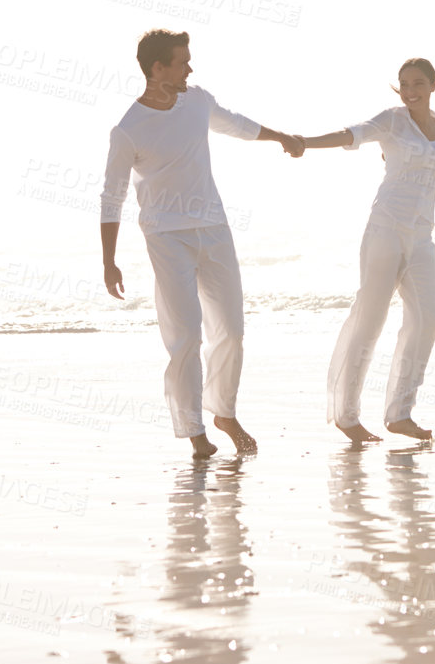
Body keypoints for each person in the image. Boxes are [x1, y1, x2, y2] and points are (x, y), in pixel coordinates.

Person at [100, 28, 303, 459]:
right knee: (186, 335)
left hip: (214, 228)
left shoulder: (197, 101)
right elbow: (111, 194)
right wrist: (109, 260)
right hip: (165, 235)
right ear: (158, 69)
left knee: (231, 330)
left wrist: (280, 136)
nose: (190, 68)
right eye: (181, 61)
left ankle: (223, 412)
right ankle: (194, 431)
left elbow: (236, 124)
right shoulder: (128, 129)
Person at [296, 58, 435, 444]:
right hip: (386, 230)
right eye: (404, 84)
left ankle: (399, 414)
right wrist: (305, 143)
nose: (410, 91)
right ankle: (347, 416)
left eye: (418, 83)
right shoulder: (393, 120)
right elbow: (350, 135)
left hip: (421, 237)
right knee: (370, 320)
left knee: (427, 320)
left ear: (433, 85)